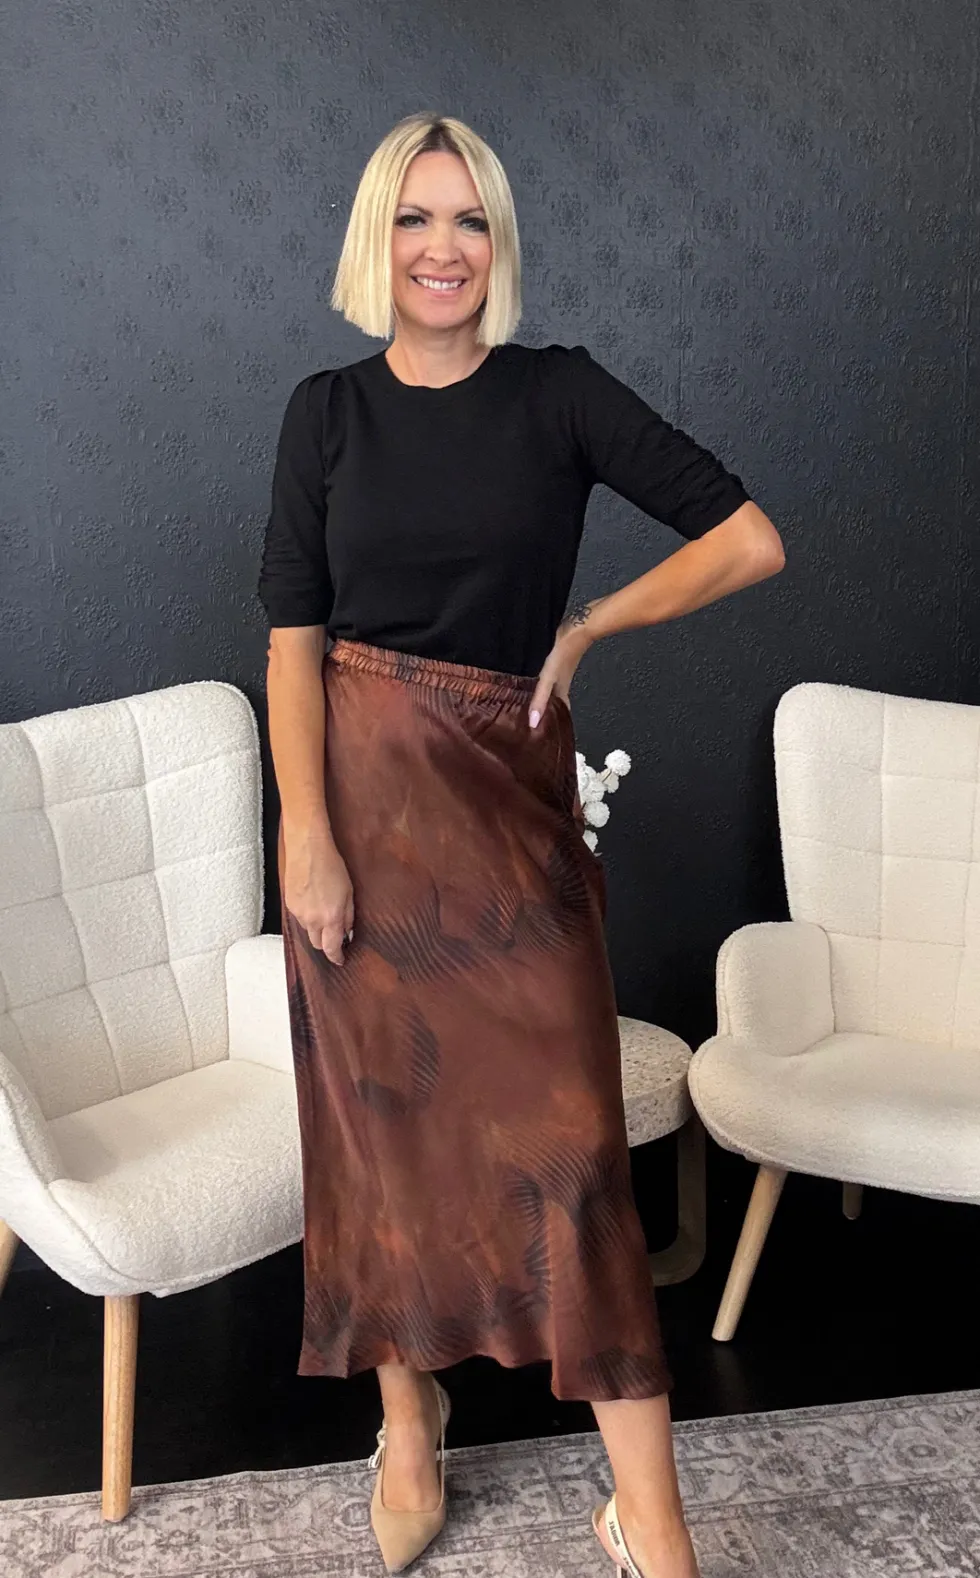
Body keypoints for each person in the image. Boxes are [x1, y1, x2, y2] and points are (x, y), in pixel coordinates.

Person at [257, 110, 784, 1578]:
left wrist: (593, 623)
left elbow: (749, 538)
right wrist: (306, 836)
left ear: (498, 242)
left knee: (576, 1153)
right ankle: (407, 1422)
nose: (444, 248)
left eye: (471, 219)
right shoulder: (325, 413)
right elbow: (293, 642)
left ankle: (649, 1515)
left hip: (507, 819)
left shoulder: (560, 395)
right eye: (416, 218)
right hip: (360, 819)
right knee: (383, 1136)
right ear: (378, 239)